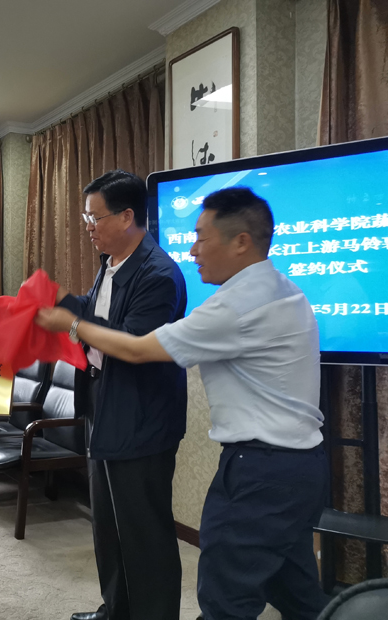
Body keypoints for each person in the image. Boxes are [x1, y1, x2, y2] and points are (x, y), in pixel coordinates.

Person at [37, 187, 330, 620]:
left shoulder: (233, 305)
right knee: (295, 592)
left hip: (260, 470)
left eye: (200, 238)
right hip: (299, 466)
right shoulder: (281, 289)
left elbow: (137, 348)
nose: (192, 250)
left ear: (241, 242)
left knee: (223, 597)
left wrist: (73, 324)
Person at [57, 170, 188, 620]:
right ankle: (115, 610)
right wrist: (68, 303)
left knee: (144, 532)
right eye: (86, 217)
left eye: (95, 217)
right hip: (103, 403)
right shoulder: (111, 262)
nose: (88, 227)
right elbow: (101, 321)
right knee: (109, 525)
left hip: (140, 416)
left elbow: (131, 342)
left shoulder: (159, 274)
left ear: (128, 216)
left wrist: (73, 323)